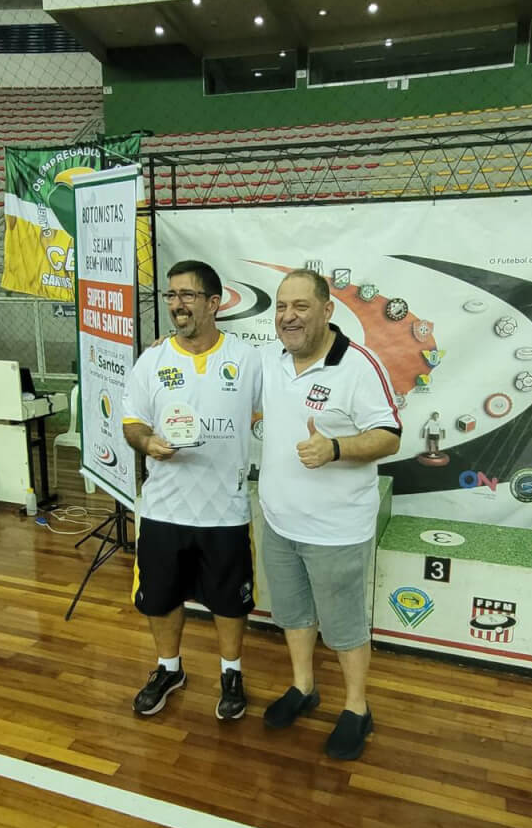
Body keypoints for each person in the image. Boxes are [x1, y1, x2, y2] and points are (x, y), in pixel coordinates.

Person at [258, 268, 401, 760]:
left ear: (327, 310)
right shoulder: (271, 359)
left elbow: (389, 437)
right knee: (293, 614)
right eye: (281, 307)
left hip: (336, 529)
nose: (288, 316)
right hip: (279, 521)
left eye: (300, 306)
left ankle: (358, 708)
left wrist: (336, 448)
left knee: (343, 627)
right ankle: (304, 687)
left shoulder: (358, 365)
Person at [122, 260, 262, 721]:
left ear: (213, 303)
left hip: (225, 508)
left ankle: (231, 673)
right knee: (161, 596)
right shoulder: (153, 359)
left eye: (187, 295)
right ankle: (169, 668)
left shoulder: (247, 359)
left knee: (229, 599)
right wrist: (147, 442)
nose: (176, 304)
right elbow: (132, 423)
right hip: (164, 507)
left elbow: (273, 410)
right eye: (171, 295)